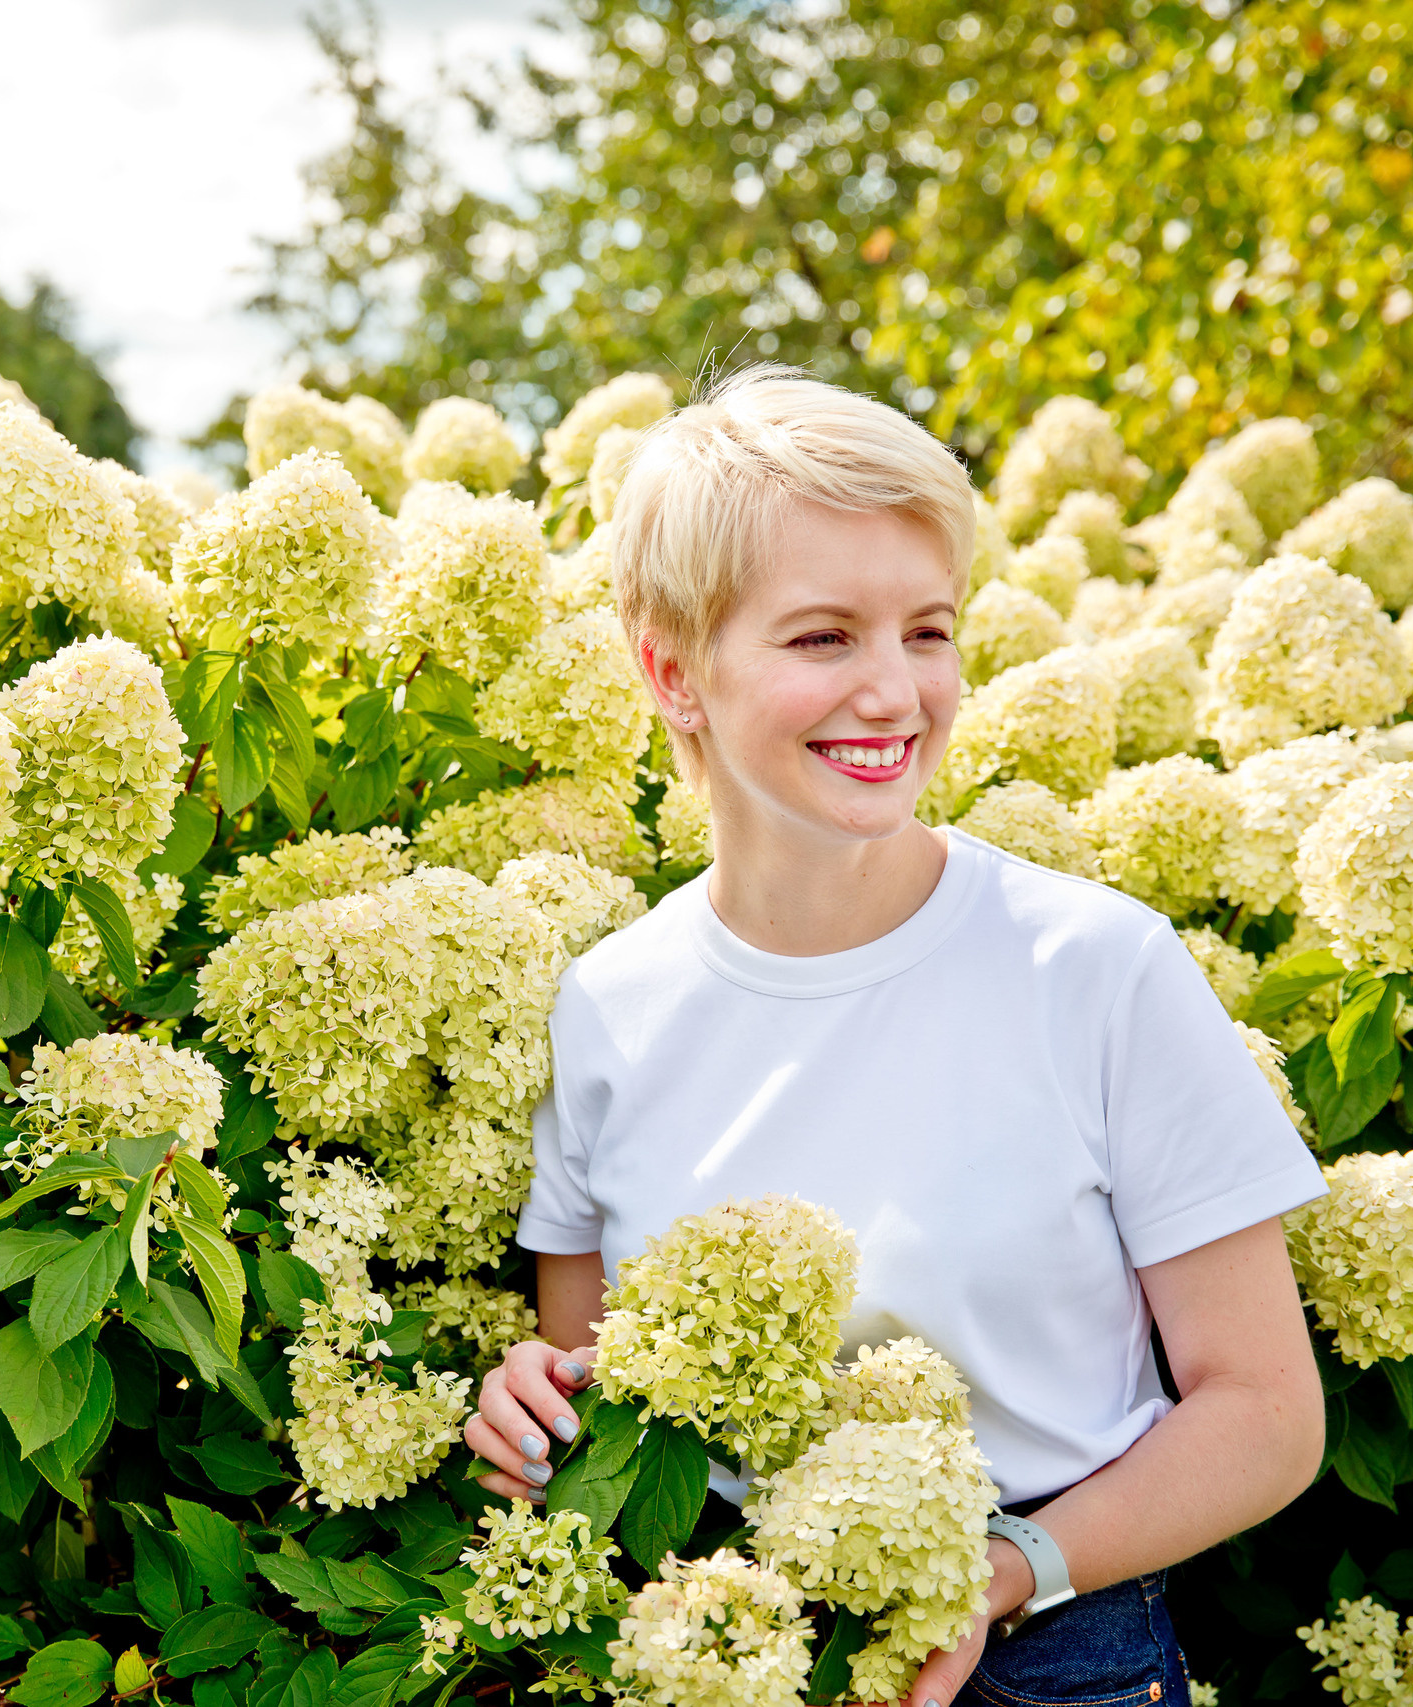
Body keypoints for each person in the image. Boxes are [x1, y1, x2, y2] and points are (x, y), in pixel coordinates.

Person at [465, 366, 1327, 1707]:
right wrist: (537, 1411)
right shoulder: (608, 1008)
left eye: (927, 632)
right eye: (822, 639)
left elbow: (1267, 1415)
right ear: (671, 672)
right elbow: (607, 1400)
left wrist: (1004, 1568)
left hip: (1057, 1644)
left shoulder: (1099, 968)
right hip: (725, 1652)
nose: (895, 692)